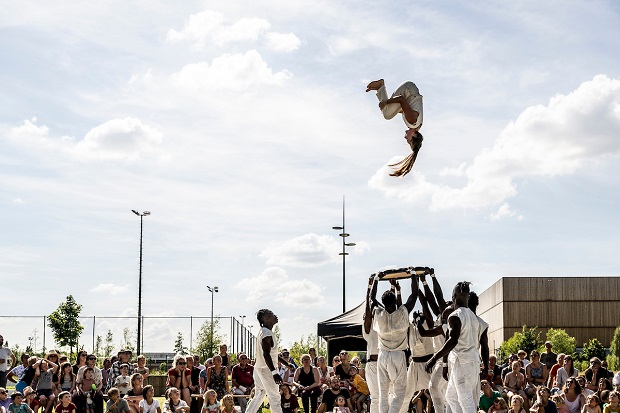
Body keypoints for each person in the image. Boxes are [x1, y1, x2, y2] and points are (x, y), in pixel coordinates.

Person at [425, 282, 489, 413]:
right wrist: (486, 367)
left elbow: (452, 340)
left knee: (466, 401)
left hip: (462, 363)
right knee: (451, 396)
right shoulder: (476, 319)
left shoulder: (455, 316)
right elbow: (485, 347)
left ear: (453, 296)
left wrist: (434, 358)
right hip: (472, 363)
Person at [369, 274, 418, 413]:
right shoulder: (402, 313)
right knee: (400, 392)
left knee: (383, 394)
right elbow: (414, 295)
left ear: (383, 303)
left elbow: (371, 299)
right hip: (398, 355)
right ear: (394, 302)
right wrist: (413, 275)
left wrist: (377, 279)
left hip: (383, 355)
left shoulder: (378, 314)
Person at [365, 79, 424, 177]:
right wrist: (386, 103)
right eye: (408, 140)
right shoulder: (412, 121)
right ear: (413, 135)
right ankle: (380, 86)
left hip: (409, 92)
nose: (405, 138)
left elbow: (403, 108)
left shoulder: (416, 126)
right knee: (387, 114)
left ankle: (380, 88)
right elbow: (401, 99)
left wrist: (388, 106)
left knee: (388, 112)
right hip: (408, 90)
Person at [245, 309, 294, 413]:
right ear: (266, 318)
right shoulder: (266, 334)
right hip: (267, 370)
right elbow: (266, 354)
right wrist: (274, 372)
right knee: (275, 397)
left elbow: (272, 354)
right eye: (272, 315)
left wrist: (287, 364)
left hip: (259, 368)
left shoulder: (264, 332)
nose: (275, 315)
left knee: (259, 395)